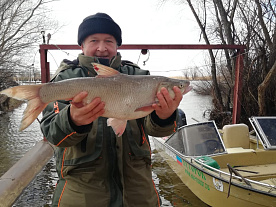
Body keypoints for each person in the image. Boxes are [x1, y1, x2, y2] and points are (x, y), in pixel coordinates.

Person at [40, 12, 183, 207]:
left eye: (109, 41)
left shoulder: (140, 76)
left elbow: (156, 130)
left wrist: (165, 117)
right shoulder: (65, 80)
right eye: (94, 40)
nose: (102, 48)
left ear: (117, 46)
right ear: (82, 46)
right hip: (81, 195)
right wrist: (73, 120)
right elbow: (52, 133)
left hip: (139, 195)